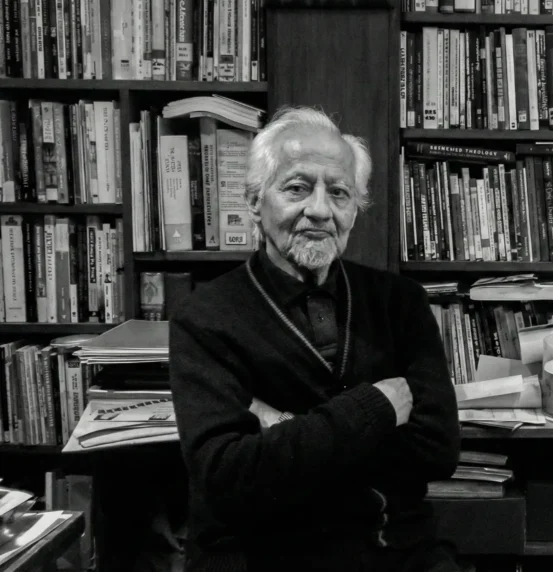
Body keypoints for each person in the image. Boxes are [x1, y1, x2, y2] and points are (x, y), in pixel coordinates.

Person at [169, 106, 462, 572]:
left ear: (354, 210)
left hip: (392, 549)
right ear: (254, 201)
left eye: (339, 193)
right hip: (260, 556)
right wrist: (376, 409)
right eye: (298, 188)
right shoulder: (205, 316)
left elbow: (437, 451)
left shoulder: (399, 302)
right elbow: (227, 476)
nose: (320, 210)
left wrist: (281, 426)